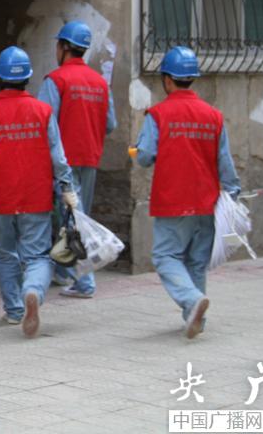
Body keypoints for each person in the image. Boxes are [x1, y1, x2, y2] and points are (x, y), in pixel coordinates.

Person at [132, 45, 241, 339]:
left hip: (173, 201)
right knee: (195, 262)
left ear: (167, 80)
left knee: (165, 257)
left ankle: (192, 301)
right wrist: (233, 193)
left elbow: (145, 156)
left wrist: (138, 150)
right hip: (207, 202)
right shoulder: (213, 116)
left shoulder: (158, 114)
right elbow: (225, 161)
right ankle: (195, 320)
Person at [0, 46, 77, 338]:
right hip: (36, 197)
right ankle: (33, 291)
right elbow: (58, 157)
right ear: (28, 78)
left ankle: (15, 310)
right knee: (38, 256)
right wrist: (67, 188)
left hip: (0, 199)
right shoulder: (43, 112)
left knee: (5, 255)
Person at [37, 21, 117, 299]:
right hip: (90, 158)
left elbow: (43, 123)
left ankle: (84, 280)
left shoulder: (56, 80)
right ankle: (63, 271)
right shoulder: (100, 83)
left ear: (63, 47)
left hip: (63, 164)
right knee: (77, 216)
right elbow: (110, 124)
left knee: (72, 219)